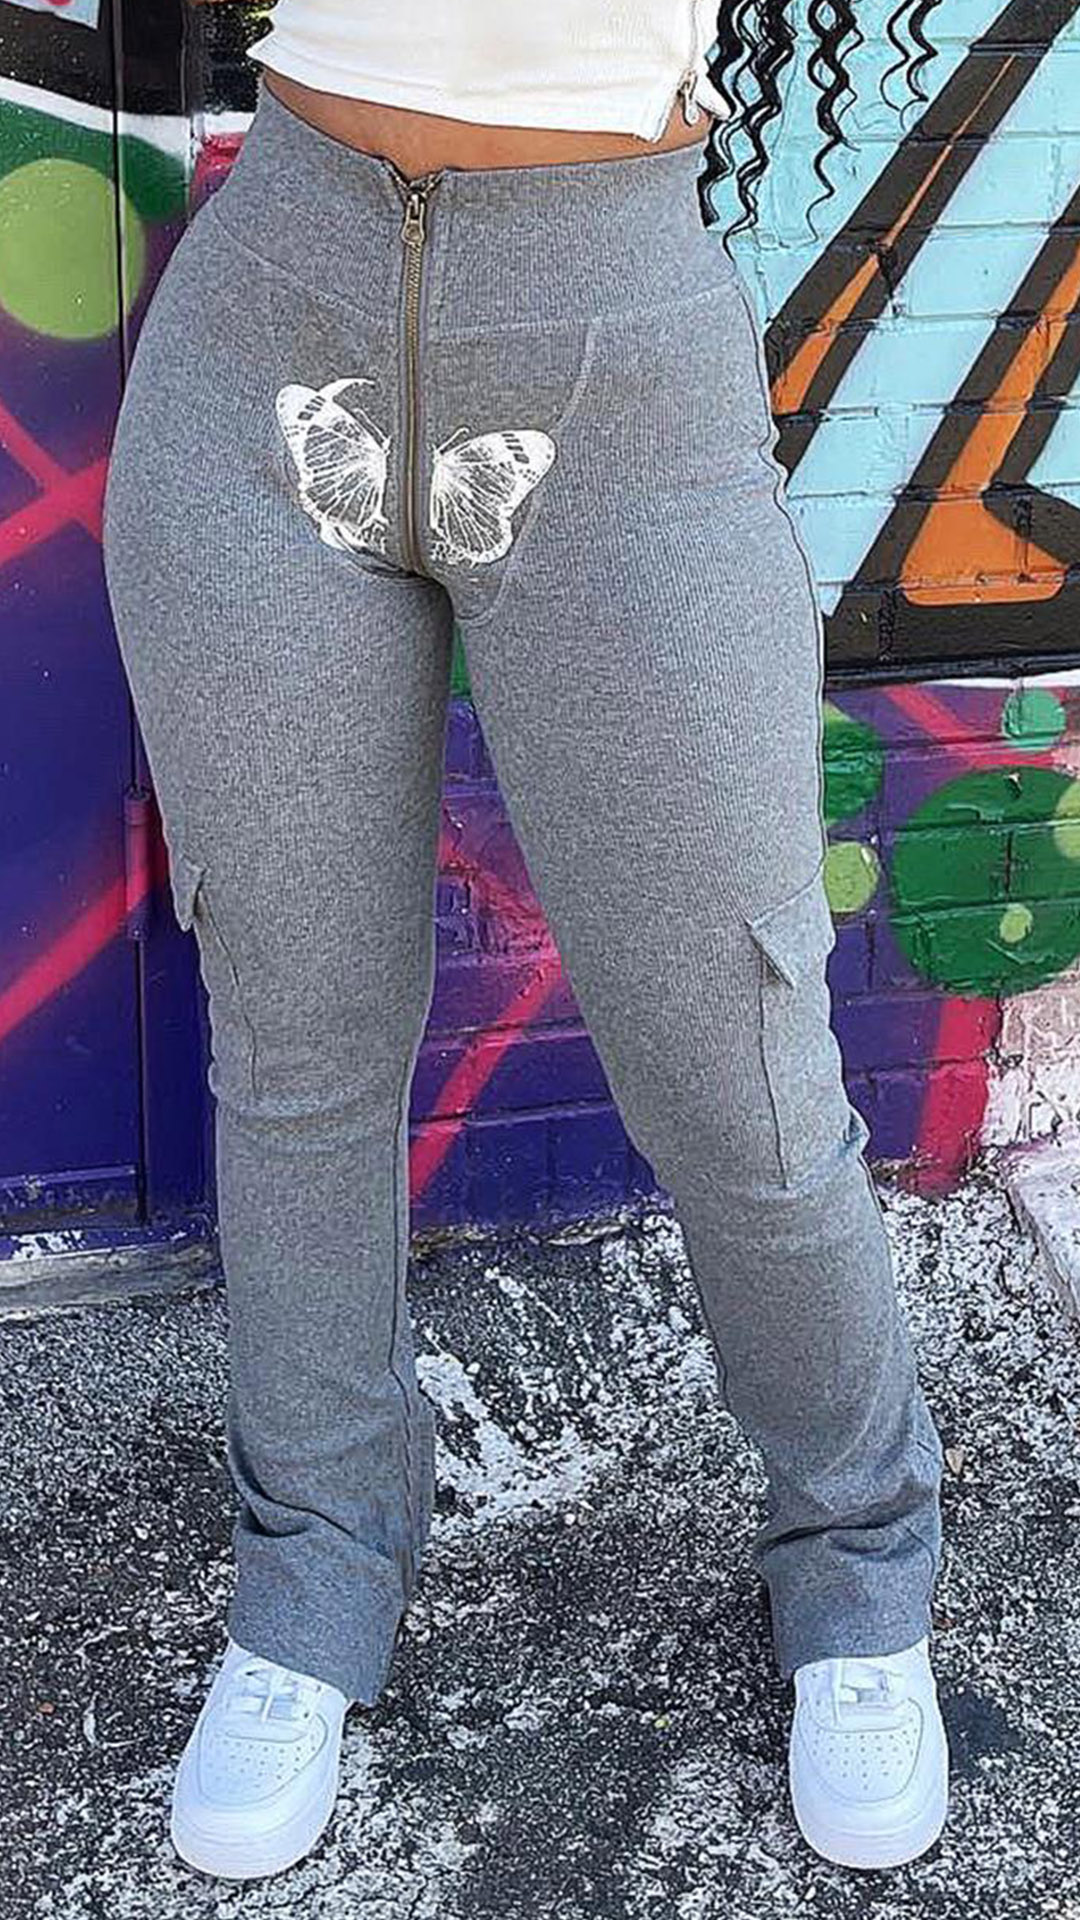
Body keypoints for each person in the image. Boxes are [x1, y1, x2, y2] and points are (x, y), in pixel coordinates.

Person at [101, 0, 949, 1883]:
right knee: (296, 1048)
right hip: (268, 333)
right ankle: (312, 1574)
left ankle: (860, 1560)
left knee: (732, 1053)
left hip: (612, 354)